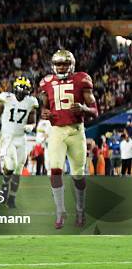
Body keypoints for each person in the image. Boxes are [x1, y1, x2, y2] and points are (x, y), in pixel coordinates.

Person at [39, 49, 98, 229]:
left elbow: (95, 111)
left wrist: (84, 109)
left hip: (76, 131)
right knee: (55, 171)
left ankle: (80, 211)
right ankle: (60, 212)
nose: (62, 67)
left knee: (78, 174)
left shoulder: (81, 79)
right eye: (58, 64)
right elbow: (44, 110)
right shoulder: (46, 82)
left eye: (65, 63)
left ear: (71, 64)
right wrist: (45, 114)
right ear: (53, 66)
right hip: (56, 131)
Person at [0, 77, 38, 208]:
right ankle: (4, 187)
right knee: (11, 166)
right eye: (21, 88)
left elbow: (32, 121)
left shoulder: (30, 102)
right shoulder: (6, 98)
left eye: (25, 89)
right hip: (7, 138)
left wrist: (31, 126)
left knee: (18, 170)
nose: (23, 91)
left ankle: (12, 198)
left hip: (21, 138)